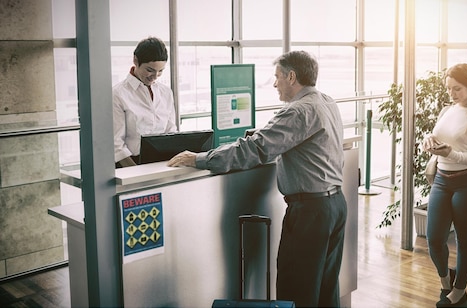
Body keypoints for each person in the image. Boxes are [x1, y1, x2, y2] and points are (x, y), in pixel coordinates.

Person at [167, 50, 347, 307]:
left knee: (297, 288)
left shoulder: (298, 111)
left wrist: (200, 158)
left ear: (292, 76)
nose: (274, 84)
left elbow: (255, 150)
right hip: (335, 205)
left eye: (277, 77)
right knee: (325, 290)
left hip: (310, 212)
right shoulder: (326, 102)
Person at [423, 63, 467, 307]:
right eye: (449, 89)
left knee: (465, 239)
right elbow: (438, 135)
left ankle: (459, 291)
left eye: (458, 89)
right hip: (442, 180)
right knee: (434, 238)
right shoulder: (448, 110)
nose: (452, 94)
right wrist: (429, 140)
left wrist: (453, 154)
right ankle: (446, 282)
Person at [113, 36, 177, 168]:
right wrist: (136, 172)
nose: (154, 77)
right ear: (135, 61)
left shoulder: (166, 92)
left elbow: (171, 131)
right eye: (150, 70)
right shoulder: (118, 94)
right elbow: (116, 144)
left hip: (161, 163)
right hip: (129, 164)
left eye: (160, 71)